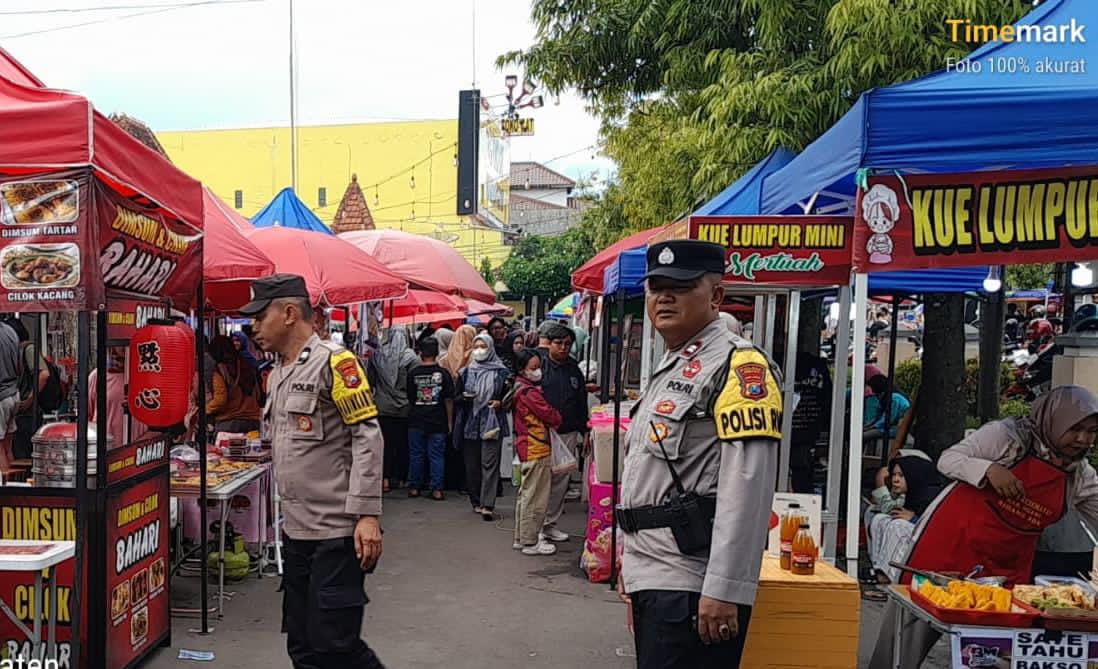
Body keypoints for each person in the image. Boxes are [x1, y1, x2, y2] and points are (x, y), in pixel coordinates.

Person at [617, 240, 781, 669]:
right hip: (654, 571)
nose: (664, 297)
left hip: (694, 582)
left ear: (717, 295)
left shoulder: (741, 367)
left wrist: (726, 587)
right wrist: (629, 563)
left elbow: (747, 486)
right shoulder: (673, 364)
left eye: (681, 286)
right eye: (656, 287)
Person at [869, 385, 1098, 669]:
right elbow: (948, 459)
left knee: (992, 654)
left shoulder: (1080, 476)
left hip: (1004, 568)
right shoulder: (1009, 437)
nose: (1083, 439)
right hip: (949, 547)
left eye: (1092, 431)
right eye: (1076, 429)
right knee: (905, 638)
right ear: (1055, 419)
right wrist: (989, 470)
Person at [240, 273, 385, 669]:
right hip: (297, 531)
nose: (252, 326)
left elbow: (367, 437)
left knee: (335, 644)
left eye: (259, 316)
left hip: (336, 532)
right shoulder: (278, 372)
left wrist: (368, 514)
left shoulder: (336, 363)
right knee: (302, 644)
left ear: (289, 313)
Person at [538, 321, 589, 541]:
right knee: (540, 480)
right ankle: (535, 526)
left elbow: (581, 401)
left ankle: (550, 523)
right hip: (541, 432)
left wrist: (584, 430)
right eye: (559, 343)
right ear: (549, 343)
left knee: (561, 480)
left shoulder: (574, 369)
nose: (563, 348)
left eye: (567, 344)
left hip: (567, 431)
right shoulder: (539, 367)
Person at [510, 349, 561, 556]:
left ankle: (521, 537)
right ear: (523, 369)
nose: (538, 371)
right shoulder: (529, 393)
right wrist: (557, 416)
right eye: (533, 368)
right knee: (536, 496)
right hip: (536, 446)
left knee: (526, 494)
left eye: (539, 367)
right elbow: (550, 416)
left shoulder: (518, 387)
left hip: (526, 445)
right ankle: (530, 542)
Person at [864, 453, 942, 586]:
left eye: (901, 475)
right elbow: (888, 509)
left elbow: (940, 529)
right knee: (880, 519)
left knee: (898, 525)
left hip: (933, 548)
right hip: (915, 541)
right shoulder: (912, 494)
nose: (895, 479)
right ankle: (879, 571)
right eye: (894, 475)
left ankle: (892, 579)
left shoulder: (932, 495)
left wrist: (914, 519)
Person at [455, 333, 509, 520]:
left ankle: (488, 504)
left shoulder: (502, 372)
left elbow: (509, 398)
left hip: (492, 422)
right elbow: (456, 398)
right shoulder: (465, 372)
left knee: (490, 464)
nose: (479, 351)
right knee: (472, 466)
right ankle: (476, 500)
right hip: (471, 422)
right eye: (476, 346)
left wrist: (500, 403)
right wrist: (464, 397)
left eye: (483, 346)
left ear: (491, 348)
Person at [406, 337, 454, 501]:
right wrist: (449, 422)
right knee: (437, 456)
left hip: (416, 420)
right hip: (438, 420)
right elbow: (449, 399)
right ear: (437, 353)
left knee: (416, 455)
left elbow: (410, 398)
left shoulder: (413, 374)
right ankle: (437, 489)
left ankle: (414, 487)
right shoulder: (444, 374)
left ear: (420, 353)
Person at [373, 327, 419, 493]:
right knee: (401, 445)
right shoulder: (411, 357)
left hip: (382, 406)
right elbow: (415, 383)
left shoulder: (377, 355)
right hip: (404, 407)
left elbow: (371, 380)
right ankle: (399, 478)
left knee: (384, 444)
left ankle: (384, 480)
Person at [790, 350, 832, 493]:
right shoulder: (819, 368)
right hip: (806, 428)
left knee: (801, 469)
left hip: (804, 430)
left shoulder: (818, 367)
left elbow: (827, 398)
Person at [88, 347, 147, 449]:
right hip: (109, 451)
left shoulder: (147, 375)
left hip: (140, 453)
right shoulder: (97, 377)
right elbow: (87, 418)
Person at [206, 335, 262, 437]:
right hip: (254, 422)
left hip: (229, 424)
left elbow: (220, 399)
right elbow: (259, 395)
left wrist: (205, 409)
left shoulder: (220, 370)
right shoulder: (248, 365)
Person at [0, 319, 22, 471]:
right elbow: (19, 367)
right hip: (14, 394)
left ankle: (5, 493)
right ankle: (14, 488)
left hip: (1, 397)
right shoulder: (10, 331)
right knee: (8, 448)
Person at [864, 374, 910, 438]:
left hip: (897, 429)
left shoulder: (894, 398)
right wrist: (868, 426)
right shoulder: (888, 397)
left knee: (865, 436)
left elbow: (889, 418)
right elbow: (878, 416)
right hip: (892, 427)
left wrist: (872, 427)